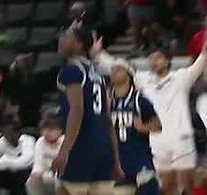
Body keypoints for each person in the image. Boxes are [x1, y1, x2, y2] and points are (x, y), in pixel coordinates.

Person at [93, 37, 206, 195]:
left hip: (180, 141)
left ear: (167, 61)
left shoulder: (181, 78)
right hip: (156, 142)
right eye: (151, 59)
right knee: (165, 189)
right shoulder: (144, 80)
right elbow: (119, 67)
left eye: (158, 58)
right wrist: (98, 54)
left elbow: (202, 60)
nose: (154, 62)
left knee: (184, 187)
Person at [53, 27, 122, 195]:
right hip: (103, 149)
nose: (61, 39)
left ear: (78, 44)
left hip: (81, 147)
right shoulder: (98, 73)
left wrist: (65, 150)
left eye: (66, 36)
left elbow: (77, 111)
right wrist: (116, 159)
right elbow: (108, 120)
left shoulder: (72, 70)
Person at [104, 58, 160, 195]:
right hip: (116, 160)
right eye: (112, 69)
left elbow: (158, 125)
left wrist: (143, 127)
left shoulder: (139, 99)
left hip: (139, 157)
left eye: (118, 69)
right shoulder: (106, 100)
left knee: (150, 188)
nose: (114, 72)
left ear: (129, 73)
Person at [0, 122, 35, 195]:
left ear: (18, 132)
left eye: (10, 134)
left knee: (21, 175)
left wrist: (5, 161)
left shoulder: (28, 140)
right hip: (9, 174)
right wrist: (5, 164)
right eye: (5, 134)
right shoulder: (3, 140)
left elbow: (25, 162)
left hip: (26, 174)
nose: (8, 137)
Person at [26, 117, 64, 195]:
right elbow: (38, 163)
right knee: (31, 181)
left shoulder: (65, 142)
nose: (46, 133)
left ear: (59, 130)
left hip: (64, 175)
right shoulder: (40, 142)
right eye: (44, 130)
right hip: (46, 174)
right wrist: (36, 173)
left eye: (50, 130)